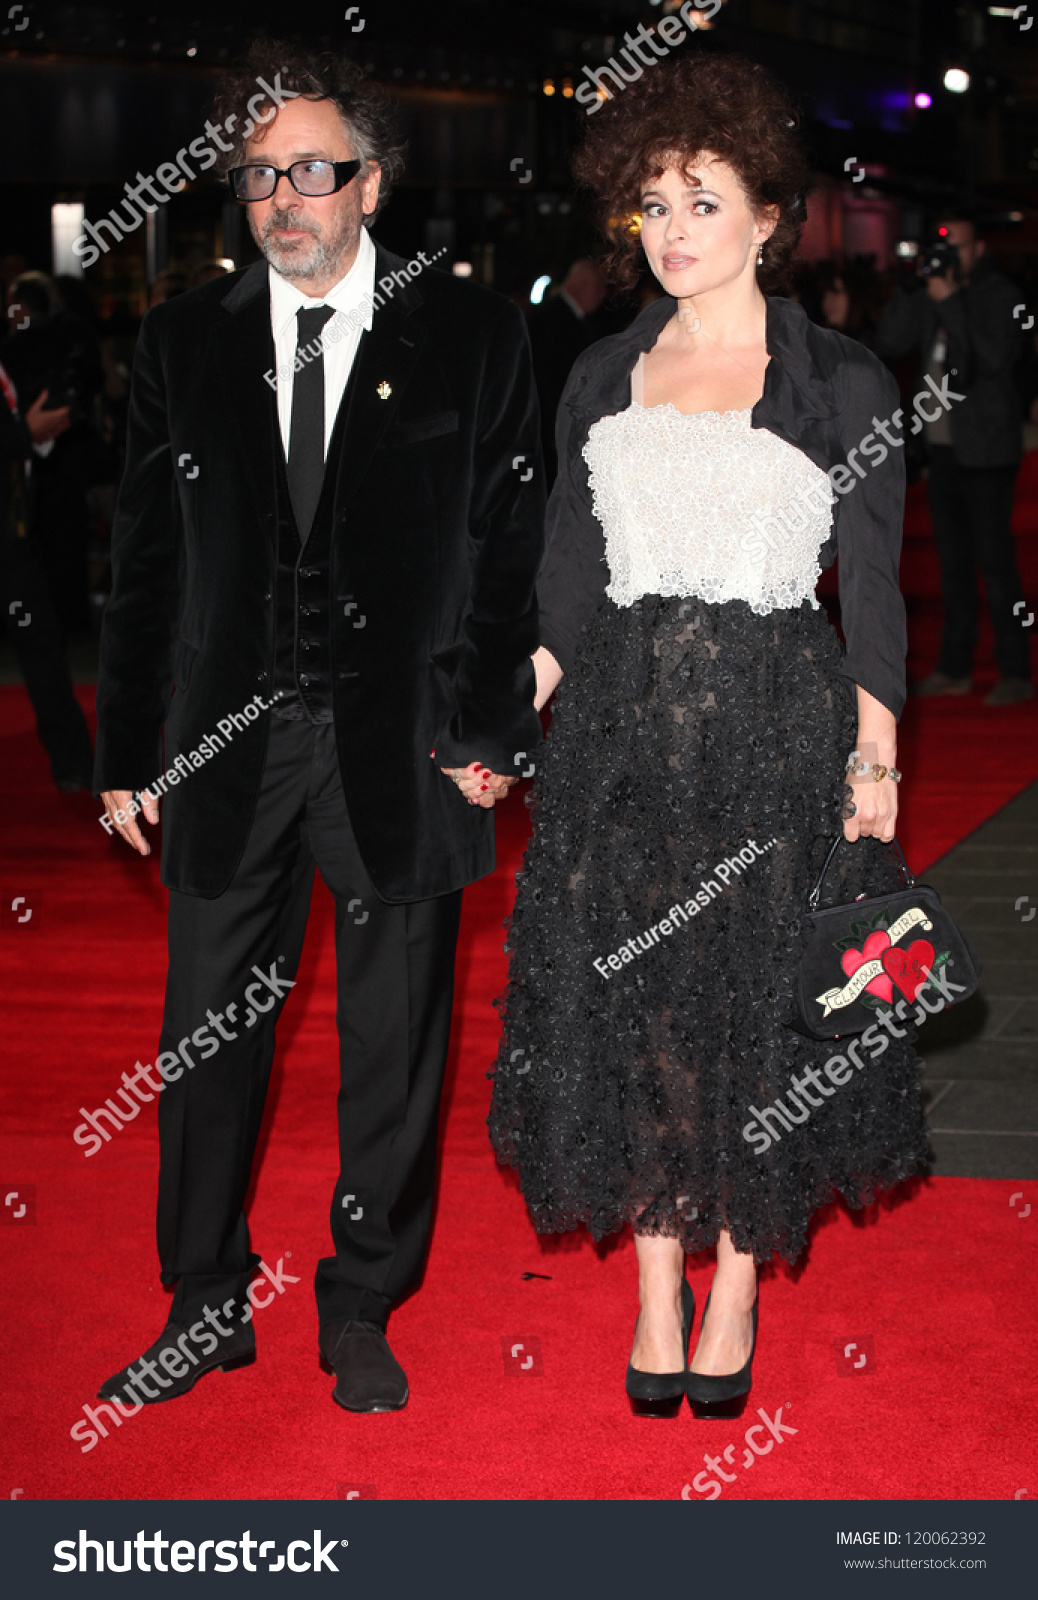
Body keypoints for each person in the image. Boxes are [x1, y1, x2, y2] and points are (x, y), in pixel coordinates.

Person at [93, 41, 543, 1416]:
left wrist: (484, 729)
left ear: (370, 183)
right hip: (226, 748)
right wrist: (125, 748)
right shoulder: (185, 340)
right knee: (207, 1035)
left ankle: (361, 1301)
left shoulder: (466, 332)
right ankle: (203, 1299)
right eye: (257, 175)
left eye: (310, 170)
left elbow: (507, 537)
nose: (282, 196)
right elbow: (147, 560)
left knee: (393, 1048)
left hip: (402, 751)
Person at [489, 51, 926, 1419]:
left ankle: (737, 1281)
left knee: (758, 1013)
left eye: (701, 200)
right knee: (640, 1009)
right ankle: (655, 1283)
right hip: (621, 743)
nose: (670, 230)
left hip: (775, 740)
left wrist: (876, 759)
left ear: (763, 216)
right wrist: (502, 722)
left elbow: (871, 591)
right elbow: (566, 583)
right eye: (651, 204)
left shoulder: (838, 381)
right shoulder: (601, 378)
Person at [876, 217, 1032, 705]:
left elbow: (991, 359)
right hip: (942, 450)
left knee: (997, 563)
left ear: (979, 248)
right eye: (939, 249)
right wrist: (910, 288)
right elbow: (890, 341)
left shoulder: (1002, 296)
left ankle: (1016, 670)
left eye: (955, 248)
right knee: (952, 566)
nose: (946, 258)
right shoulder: (933, 291)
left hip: (987, 451)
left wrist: (952, 302)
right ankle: (955, 666)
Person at [0, 343, 94, 789]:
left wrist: (36, 435)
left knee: (41, 642)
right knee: (40, 644)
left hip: (12, 541)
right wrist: (24, 434)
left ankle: (74, 764)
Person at [528, 258, 607, 481]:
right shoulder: (551, 320)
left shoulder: (570, 319)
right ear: (581, 285)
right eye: (598, 285)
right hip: (553, 428)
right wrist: (556, 426)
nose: (602, 293)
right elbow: (545, 378)